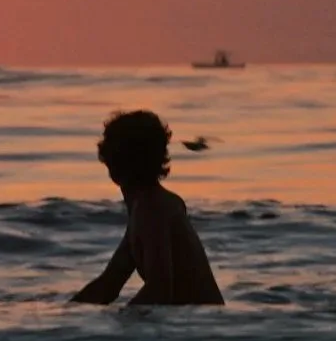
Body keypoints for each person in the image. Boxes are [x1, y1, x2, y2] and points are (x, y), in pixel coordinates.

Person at [72, 111, 224, 306]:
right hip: (202, 324)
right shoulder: (150, 206)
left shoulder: (151, 209)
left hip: (200, 328)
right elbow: (109, 284)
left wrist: (123, 323)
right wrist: (63, 316)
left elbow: (159, 289)